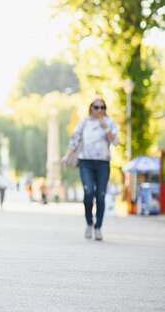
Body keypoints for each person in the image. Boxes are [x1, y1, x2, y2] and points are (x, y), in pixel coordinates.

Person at [61, 96, 119, 241]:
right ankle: (89, 223)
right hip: (86, 162)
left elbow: (116, 141)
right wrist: (67, 156)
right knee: (88, 193)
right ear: (91, 108)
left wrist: (105, 127)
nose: (100, 110)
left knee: (100, 194)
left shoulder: (109, 122)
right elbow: (74, 140)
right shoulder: (84, 122)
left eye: (103, 107)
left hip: (102, 163)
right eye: (96, 107)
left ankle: (98, 227)